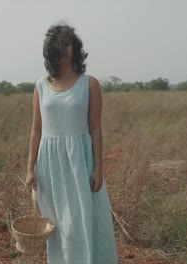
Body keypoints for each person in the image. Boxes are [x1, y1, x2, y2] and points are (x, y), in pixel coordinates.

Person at [25, 22, 119, 264]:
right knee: (58, 225)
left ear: (74, 47)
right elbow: (36, 129)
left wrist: (98, 168)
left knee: (82, 221)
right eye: (57, 45)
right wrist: (30, 168)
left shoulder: (90, 84)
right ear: (50, 51)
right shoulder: (40, 86)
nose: (63, 49)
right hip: (49, 164)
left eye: (67, 43)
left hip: (80, 160)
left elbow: (95, 129)